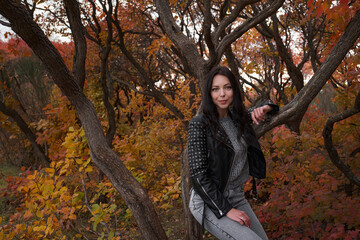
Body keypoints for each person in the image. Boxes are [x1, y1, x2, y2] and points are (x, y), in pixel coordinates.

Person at [188, 66, 278, 240]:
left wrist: (267, 108)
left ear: (234, 90)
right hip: (208, 200)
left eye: (227, 87)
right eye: (215, 89)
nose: (222, 94)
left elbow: (271, 106)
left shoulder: (239, 118)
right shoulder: (199, 124)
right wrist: (226, 210)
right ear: (209, 93)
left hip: (236, 196)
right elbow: (198, 176)